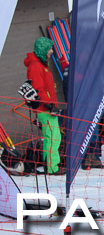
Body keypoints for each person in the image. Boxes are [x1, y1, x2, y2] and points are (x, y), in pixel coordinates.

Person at [24, 37, 63, 175]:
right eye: (50, 49)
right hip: (45, 108)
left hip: (48, 107)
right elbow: (39, 88)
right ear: (43, 49)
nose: (52, 51)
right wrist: (49, 104)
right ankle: (53, 167)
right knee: (54, 137)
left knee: (51, 136)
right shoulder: (36, 66)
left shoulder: (40, 64)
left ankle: (49, 164)